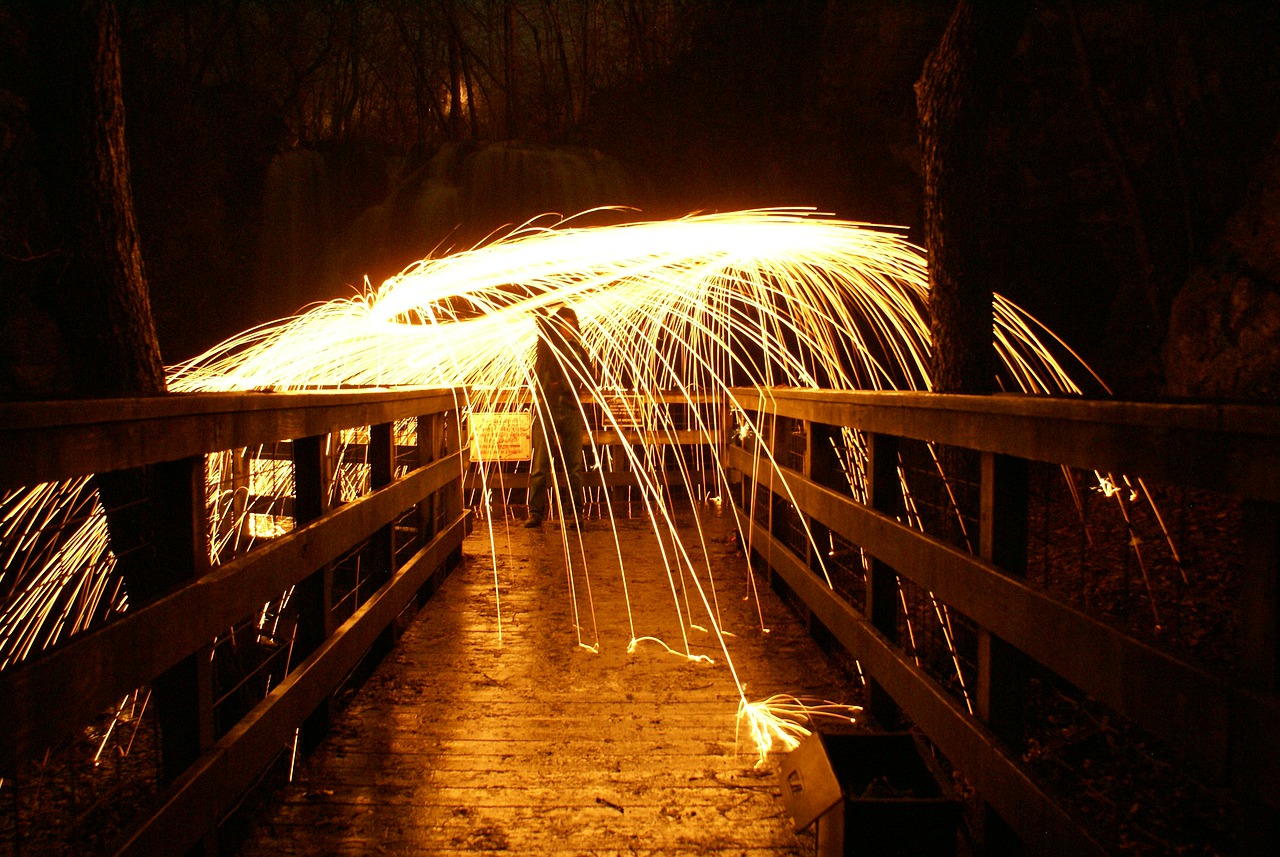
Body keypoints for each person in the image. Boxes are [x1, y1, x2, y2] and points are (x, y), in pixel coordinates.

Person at [525, 305, 593, 527]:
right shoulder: (547, 346)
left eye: (572, 324)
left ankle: (575, 514)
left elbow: (590, 375)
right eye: (565, 324)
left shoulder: (579, 351)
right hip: (548, 409)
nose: (569, 328)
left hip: (571, 410)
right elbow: (540, 323)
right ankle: (535, 513)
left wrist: (570, 386)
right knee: (540, 464)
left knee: (574, 466)